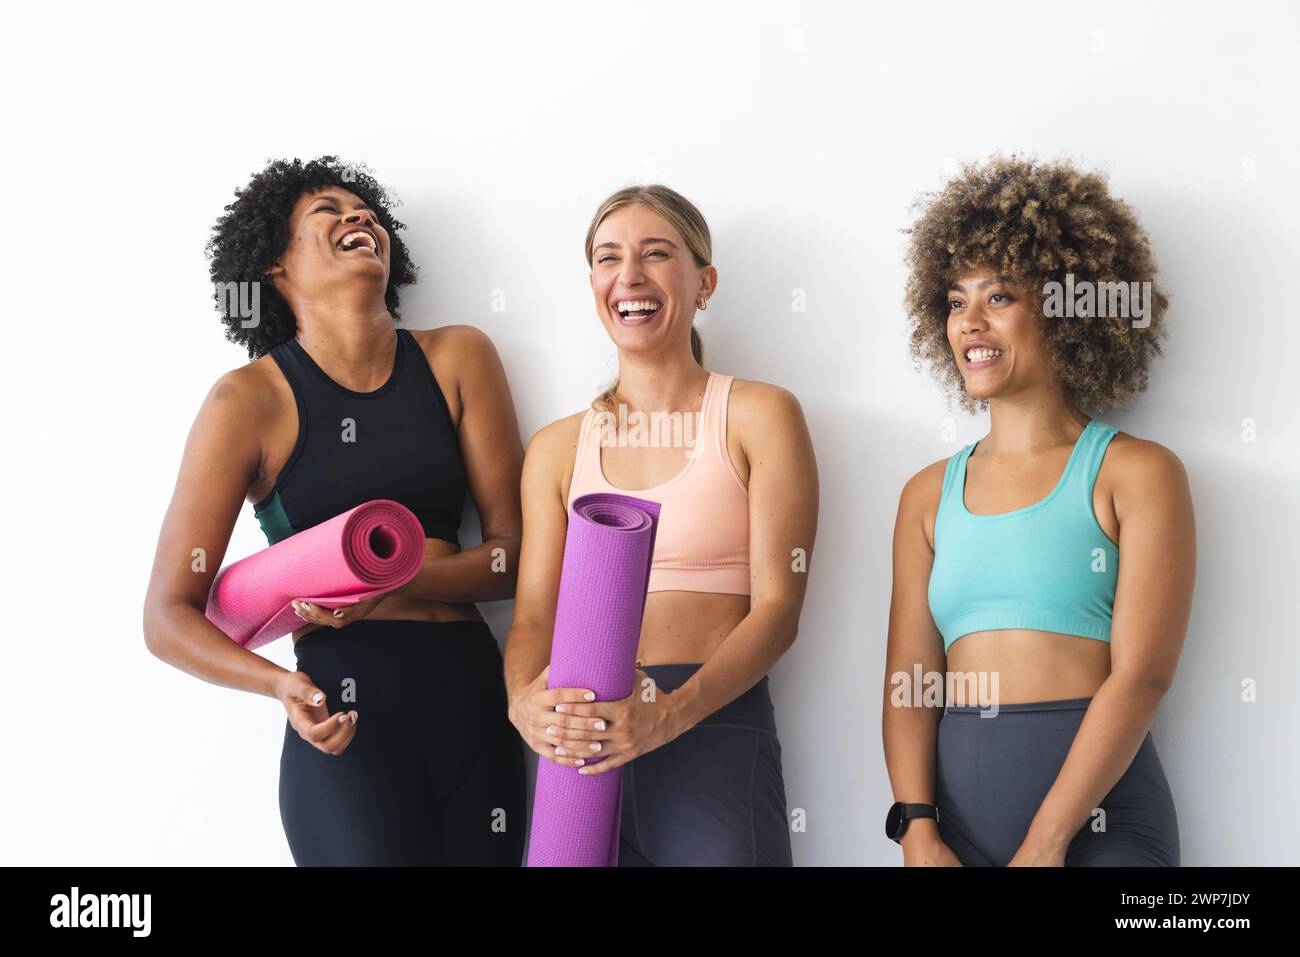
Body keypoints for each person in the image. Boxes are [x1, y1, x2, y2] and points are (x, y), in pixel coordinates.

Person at [143, 156, 527, 865]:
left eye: (366, 211)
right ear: (274, 265)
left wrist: (395, 579)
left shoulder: (459, 357)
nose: (359, 218)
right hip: (345, 714)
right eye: (328, 210)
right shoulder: (246, 402)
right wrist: (279, 685)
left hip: (475, 698)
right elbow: (166, 616)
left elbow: (515, 557)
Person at [883, 155, 1194, 866]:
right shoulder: (926, 494)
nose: (970, 321)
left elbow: (1143, 674)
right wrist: (917, 828)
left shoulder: (1138, 473)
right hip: (952, 833)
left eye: (998, 297)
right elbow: (910, 678)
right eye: (956, 300)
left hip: (1100, 829)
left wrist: (1048, 840)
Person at [505, 184, 819, 865]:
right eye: (609, 257)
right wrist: (522, 703)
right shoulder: (557, 447)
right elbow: (532, 616)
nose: (630, 277)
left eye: (656, 253)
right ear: (593, 282)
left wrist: (669, 713)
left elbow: (778, 608)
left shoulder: (760, 415)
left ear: (704, 282)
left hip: (709, 728)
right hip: (581, 742)